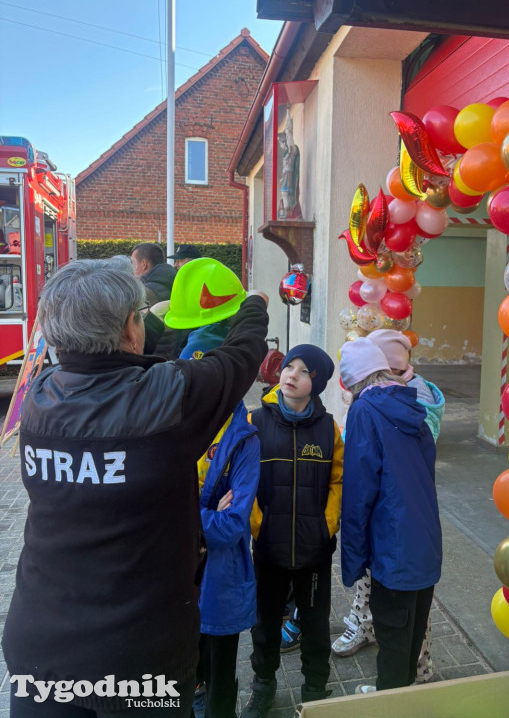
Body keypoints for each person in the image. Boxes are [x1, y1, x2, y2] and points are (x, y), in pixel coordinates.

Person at [2, 259, 269, 717]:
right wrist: (254, 308)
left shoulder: (42, 396)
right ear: (131, 327)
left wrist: (154, 324)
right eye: (139, 316)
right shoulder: (170, 402)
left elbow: (135, 372)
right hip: (140, 658)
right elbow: (239, 358)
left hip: (40, 647)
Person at [166, 258, 261, 718]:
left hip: (221, 585)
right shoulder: (166, 426)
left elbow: (231, 525)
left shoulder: (243, 438)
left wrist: (188, 514)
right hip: (177, 585)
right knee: (186, 680)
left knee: (221, 680)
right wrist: (204, 513)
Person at [332, 329, 445, 677]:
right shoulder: (413, 405)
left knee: (392, 646)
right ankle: (409, 694)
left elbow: (359, 490)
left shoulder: (365, 409)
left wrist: (352, 560)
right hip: (425, 544)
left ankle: (389, 701)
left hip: (392, 549)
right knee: (410, 638)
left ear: (354, 382)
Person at [242, 345, 343, 716]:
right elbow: (243, 479)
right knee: (264, 625)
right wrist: (257, 524)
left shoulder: (328, 427)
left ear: (316, 384)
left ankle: (316, 689)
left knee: (316, 628)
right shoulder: (256, 422)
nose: (292, 374)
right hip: (268, 545)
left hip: (314, 549)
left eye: (304, 371)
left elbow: (339, 480)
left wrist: (326, 525)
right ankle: (263, 686)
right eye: (289, 367)